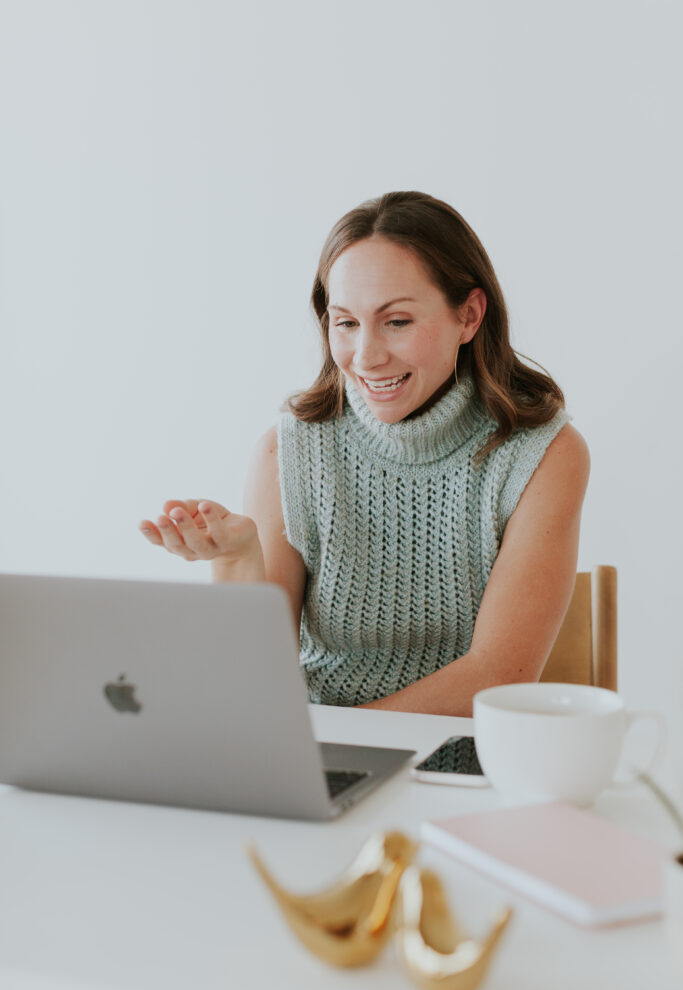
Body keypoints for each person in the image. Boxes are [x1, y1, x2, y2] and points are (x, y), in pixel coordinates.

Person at [139, 190, 590, 717]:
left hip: (454, 779)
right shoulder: (288, 450)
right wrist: (239, 558)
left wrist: (337, 745)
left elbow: (494, 677)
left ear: (468, 316)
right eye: (346, 323)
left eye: (397, 321)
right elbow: (247, 690)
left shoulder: (542, 455)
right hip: (313, 768)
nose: (367, 357)